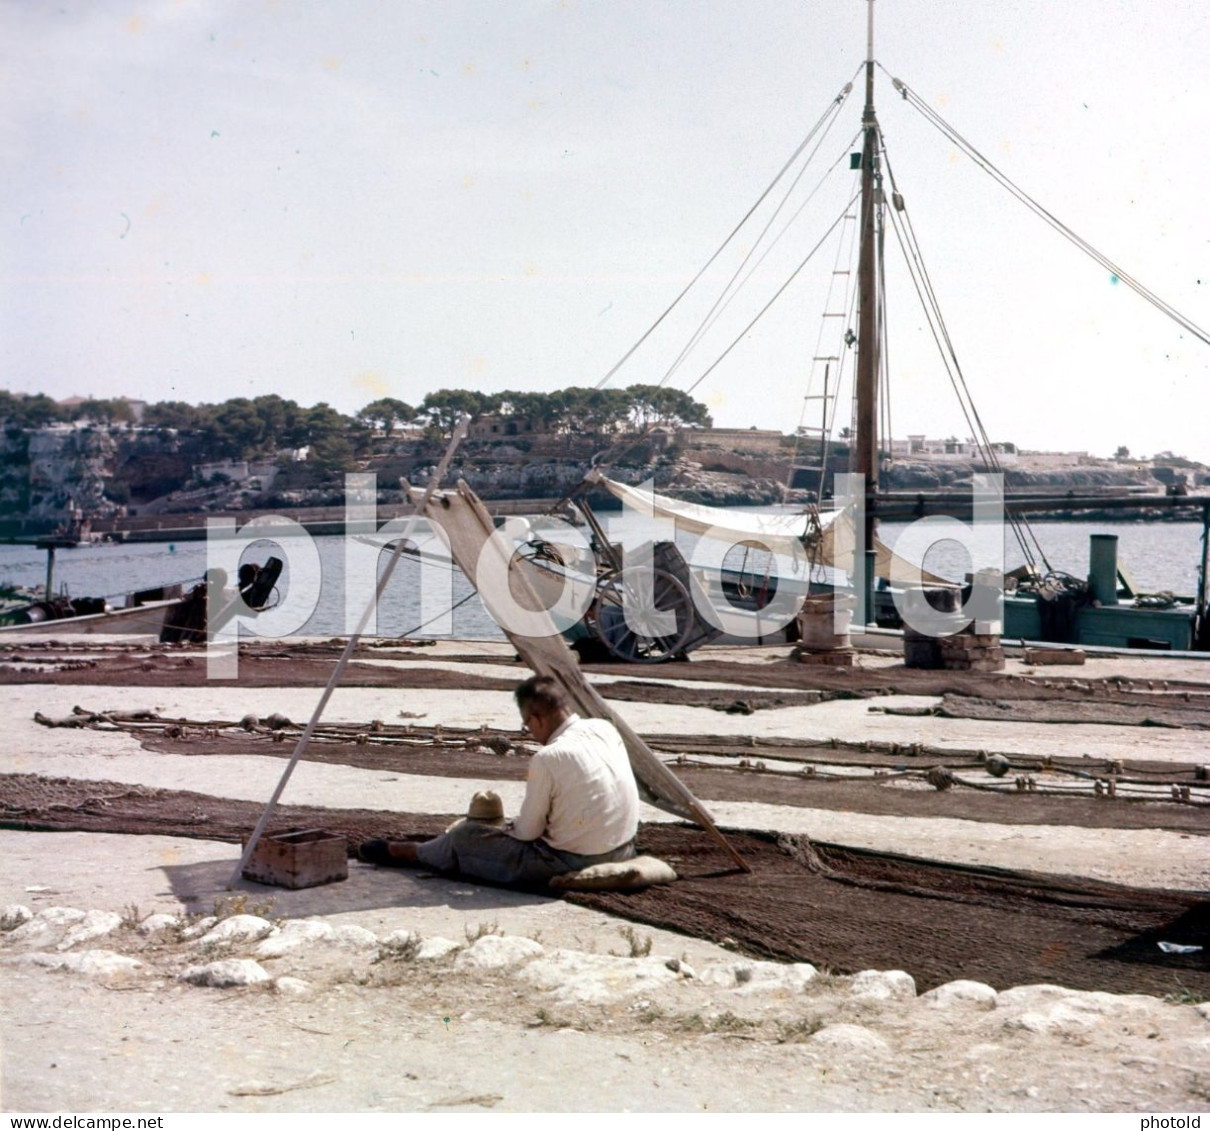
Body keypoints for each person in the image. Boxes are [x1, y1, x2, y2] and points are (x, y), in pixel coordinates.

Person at [358, 675, 639, 885]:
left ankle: (410, 852)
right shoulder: (604, 728)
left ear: (537, 718)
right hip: (624, 848)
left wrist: (503, 829)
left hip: (572, 861)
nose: (529, 732)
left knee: (464, 837)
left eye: (527, 725)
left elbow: (528, 832)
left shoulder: (549, 757)